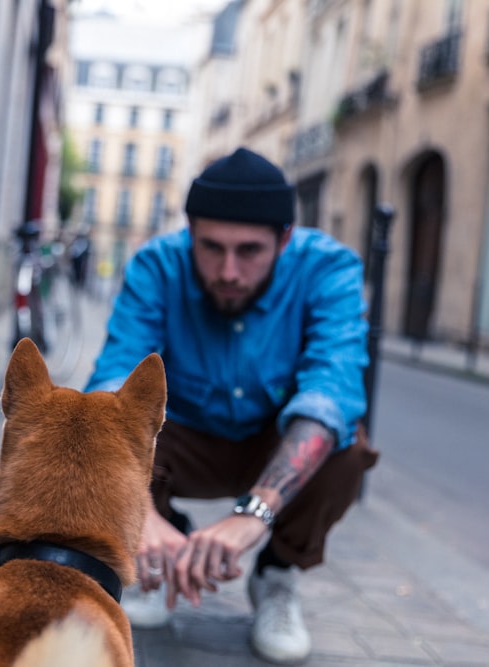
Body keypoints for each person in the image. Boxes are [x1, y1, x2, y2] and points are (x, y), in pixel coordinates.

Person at [84, 147, 379, 664]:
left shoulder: (328, 270)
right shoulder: (157, 264)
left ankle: (276, 575)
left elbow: (331, 392)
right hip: (180, 444)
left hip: (270, 446)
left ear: (284, 239)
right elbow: (112, 384)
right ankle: (158, 552)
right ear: (189, 232)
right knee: (107, 423)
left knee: (346, 445)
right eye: (211, 247)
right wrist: (135, 512)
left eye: (249, 251)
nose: (228, 270)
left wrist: (255, 514)